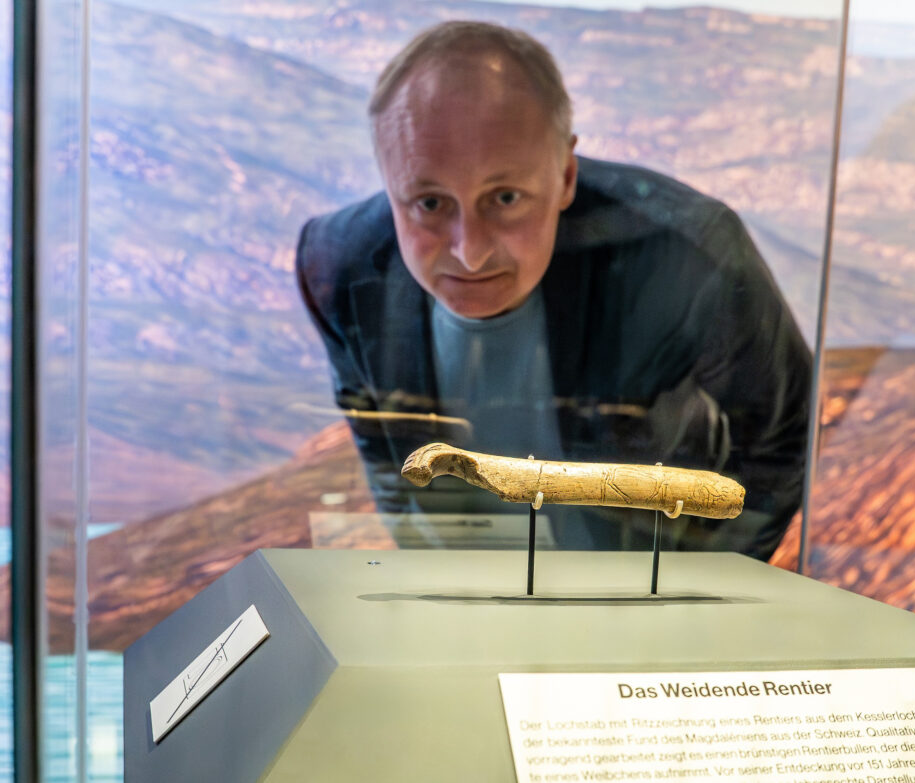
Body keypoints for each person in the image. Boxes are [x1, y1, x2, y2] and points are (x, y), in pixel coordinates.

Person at [296, 21, 811, 560]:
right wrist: (440, 577)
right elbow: (383, 447)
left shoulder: (687, 254)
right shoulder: (337, 263)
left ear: (566, 173)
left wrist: (693, 594)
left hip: (642, 588)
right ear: (387, 179)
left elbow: (783, 436)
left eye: (506, 197)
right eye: (429, 202)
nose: (470, 252)